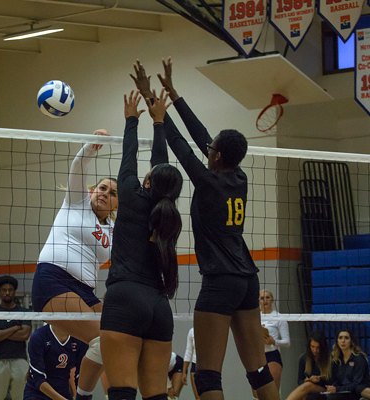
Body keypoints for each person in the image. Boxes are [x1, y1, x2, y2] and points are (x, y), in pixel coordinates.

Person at [129, 57, 281, 400]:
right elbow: (200, 136)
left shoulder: (208, 182)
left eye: (211, 149)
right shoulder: (237, 176)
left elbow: (181, 145)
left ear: (214, 157)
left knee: (207, 374)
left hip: (219, 280)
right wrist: (173, 93)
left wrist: (155, 107)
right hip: (247, 278)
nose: (207, 147)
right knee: (257, 370)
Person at [100, 88, 183, 400]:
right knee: (156, 396)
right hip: (160, 307)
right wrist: (158, 122)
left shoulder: (132, 197)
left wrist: (132, 121)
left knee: (121, 393)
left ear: (149, 181)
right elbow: (159, 163)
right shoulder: (169, 215)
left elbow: (128, 156)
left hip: (125, 299)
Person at [32, 129, 117, 400]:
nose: (105, 194)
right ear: (93, 190)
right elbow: (78, 165)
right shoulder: (77, 202)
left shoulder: (116, 231)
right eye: (102, 188)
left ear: (117, 203)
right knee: (102, 341)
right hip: (53, 282)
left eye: (113, 193)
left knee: (117, 339)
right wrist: (91, 146)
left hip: (85, 290)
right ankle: (83, 397)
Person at [0, 275, 32, 400]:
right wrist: (14, 328)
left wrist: (0, 334)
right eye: (4, 290)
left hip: (19, 361)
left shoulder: (24, 312)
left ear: (14, 291)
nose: (7, 292)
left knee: (23, 397)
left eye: (10, 290)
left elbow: (24, 335)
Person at [23, 324, 88, 400]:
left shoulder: (79, 339)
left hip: (63, 392)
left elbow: (80, 376)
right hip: (37, 394)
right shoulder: (38, 337)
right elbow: (38, 379)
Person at [255, 289, 290, 398]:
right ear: (258, 301)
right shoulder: (255, 317)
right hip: (257, 356)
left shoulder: (278, 317)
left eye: (268, 298)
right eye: (262, 298)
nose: (265, 300)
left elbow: (287, 342)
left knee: (272, 393)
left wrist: (273, 341)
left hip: (272, 355)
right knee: (256, 394)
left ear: (273, 300)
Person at [285, 331, 332, 400]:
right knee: (304, 394)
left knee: (307, 386)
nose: (315, 350)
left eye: (318, 347)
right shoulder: (304, 358)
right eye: (312, 347)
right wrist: (306, 380)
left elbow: (332, 381)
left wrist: (318, 380)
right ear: (309, 346)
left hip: (325, 389)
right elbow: (299, 380)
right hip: (309, 388)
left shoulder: (330, 359)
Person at [329, 329, 370, 400]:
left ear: (351, 341)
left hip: (356, 391)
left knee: (332, 398)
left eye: (346, 338)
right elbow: (334, 380)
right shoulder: (336, 359)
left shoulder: (359, 358)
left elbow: (357, 383)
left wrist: (337, 389)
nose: (343, 341)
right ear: (337, 341)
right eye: (340, 338)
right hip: (343, 391)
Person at [183, 327, 199, 399]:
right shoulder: (192, 331)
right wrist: (184, 372)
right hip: (195, 366)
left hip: (208, 367)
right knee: (198, 398)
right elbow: (188, 352)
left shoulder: (212, 329)